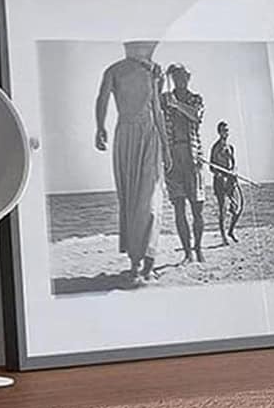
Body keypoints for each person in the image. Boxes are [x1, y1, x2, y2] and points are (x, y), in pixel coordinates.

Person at [93, 42, 165, 277]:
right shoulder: (114, 70)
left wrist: (166, 146)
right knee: (132, 198)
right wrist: (99, 127)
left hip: (148, 135)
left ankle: (149, 258)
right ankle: (136, 261)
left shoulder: (151, 72)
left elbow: (157, 109)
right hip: (126, 135)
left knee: (150, 198)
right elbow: (102, 98)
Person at [161, 63, 207, 265]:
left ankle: (198, 249)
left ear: (188, 77)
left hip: (193, 157)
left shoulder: (196, 98)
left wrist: (177, 104)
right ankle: (187, 253)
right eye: (175, 76)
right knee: (178, 207)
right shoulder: (164, 99)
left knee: (197, 209)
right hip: (172, 158)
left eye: (182, 76)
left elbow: (196, 116)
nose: (179, 79)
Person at [208, 120, 242, 245]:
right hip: (220, 181)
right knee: (223, 209)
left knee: (237, 208)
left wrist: (234, 172)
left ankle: (231, 231)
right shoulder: (215, 147)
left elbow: (234, 163)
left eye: (227, 130)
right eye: (223, 130)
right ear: (219, 132)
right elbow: (211, 167)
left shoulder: (231, 147)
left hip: (231, 181)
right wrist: (219, 174)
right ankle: (223, 237)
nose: (225, 133)